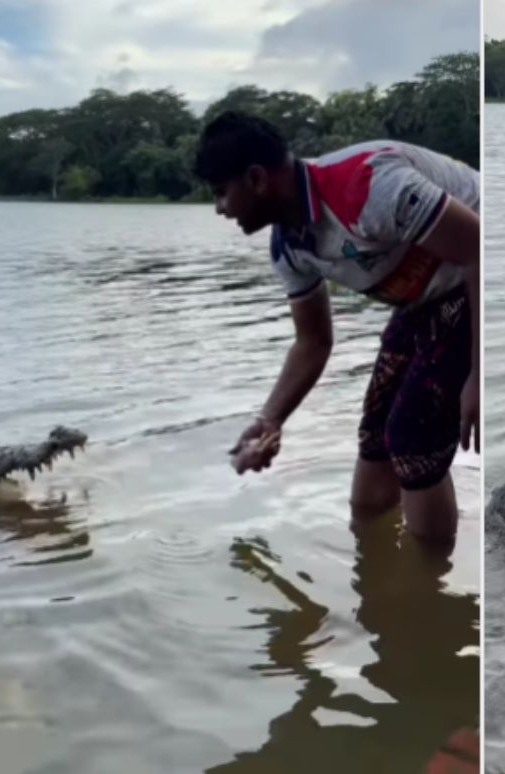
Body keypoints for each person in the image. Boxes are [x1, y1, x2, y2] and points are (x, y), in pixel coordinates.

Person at [193, 111, 480, 543]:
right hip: (422, 298)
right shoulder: (289, 248)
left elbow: (480, 248)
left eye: (220, 193)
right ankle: (380, 580)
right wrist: (270, 420)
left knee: (412, 439)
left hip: (473, 278)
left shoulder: (369, 187)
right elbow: (312, 342)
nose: (218, 208)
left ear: (256, 180)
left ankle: (430, 580)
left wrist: (477, 373)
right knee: (375, 436)